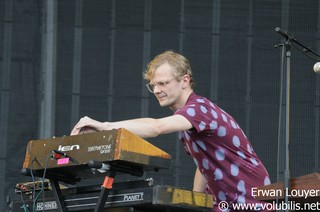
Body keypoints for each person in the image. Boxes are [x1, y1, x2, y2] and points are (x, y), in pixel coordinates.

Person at [71, 50, 271, 211]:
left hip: (250, 198)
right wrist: (196, 203)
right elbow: (204, 163)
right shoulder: (187, 118)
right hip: (225, 202)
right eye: (153, 85)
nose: (157, 90)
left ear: (185, 80)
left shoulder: (199, 109)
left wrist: (105, 126)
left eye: (163, 83)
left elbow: (156, 127)